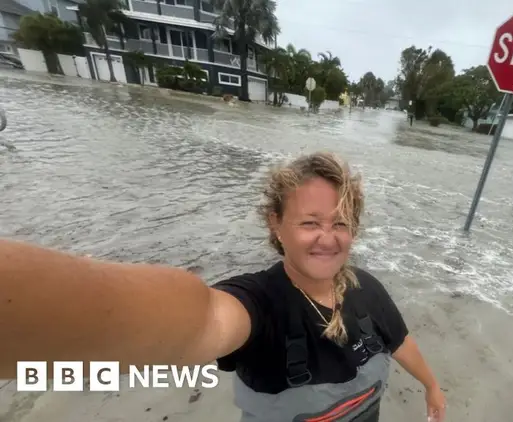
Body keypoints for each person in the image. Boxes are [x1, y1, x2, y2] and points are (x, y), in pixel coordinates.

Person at [0, 152, 446, 422]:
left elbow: (398, 339)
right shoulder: (259, 305)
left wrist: (431, 385)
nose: (327, 238)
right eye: (310, 223)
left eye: (341, 224)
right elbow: (200, 320)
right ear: (276, 223)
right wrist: (89, 299)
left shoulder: (368, 289)